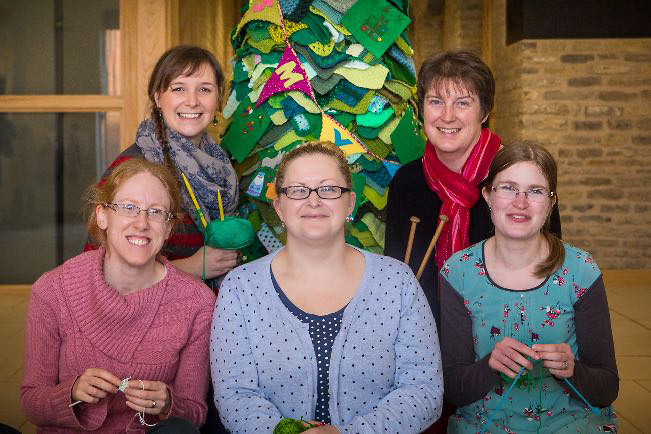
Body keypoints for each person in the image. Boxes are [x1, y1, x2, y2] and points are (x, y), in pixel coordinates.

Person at [210, 142, 443, 433]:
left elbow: (423, 389)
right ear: (279, 207)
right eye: (297, 190)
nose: (314, 201)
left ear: (350, 202)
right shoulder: (241, 289)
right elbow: (235, 395)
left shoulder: (397, 282)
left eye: (329, 189)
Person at [21, 158, 215, 432]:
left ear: (169, 228)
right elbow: (31, 402)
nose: (142, 223)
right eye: (129, 208)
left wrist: (169, 404)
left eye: (157, 212)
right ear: (102, 216)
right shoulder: (53, 290)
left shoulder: (198, 303)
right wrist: (72, 392)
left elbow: (194, 414)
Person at [440, 142, 618, 432]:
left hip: (570, 424)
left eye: (535, 191)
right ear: (487, 195)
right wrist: (489, 366)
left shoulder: (581, 271)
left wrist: (572, 370)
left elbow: (607, 388)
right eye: (508, 188)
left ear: (551, 202)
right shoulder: (458, 273)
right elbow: (454, 391)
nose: (520, 202)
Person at [384, 51, 562, 323]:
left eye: (462, 103)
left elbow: (551, 275)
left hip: (508, 336)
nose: (447, 116)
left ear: (485, 111)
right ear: (421, 110)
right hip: (424, 340)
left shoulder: (521, 180)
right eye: (435, 101)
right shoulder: (406, 183)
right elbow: (395, 280)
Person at [85, 45, 239, 290]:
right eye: (179, 89)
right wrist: (192, 267)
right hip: (153, 318)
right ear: (157, 97)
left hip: (209, 310)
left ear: (218, 97)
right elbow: (97, 270)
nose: (192, 101)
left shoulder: (221, 166)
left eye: (204, 90)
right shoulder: (134, 167)